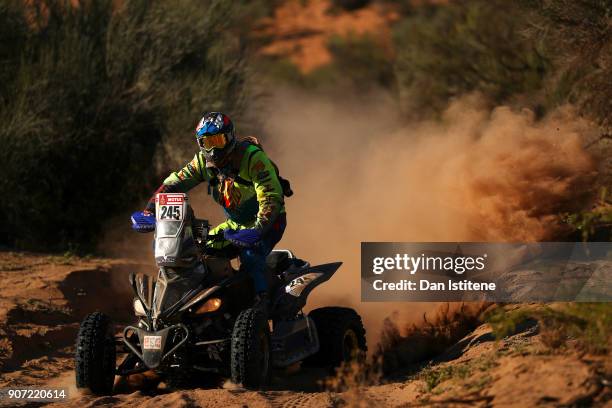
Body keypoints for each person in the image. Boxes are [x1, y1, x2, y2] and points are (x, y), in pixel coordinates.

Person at [132, 112, 288, 314]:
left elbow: (271, 197)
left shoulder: (252, 158)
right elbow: (175, 182)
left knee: (250, 255)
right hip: (234, 225)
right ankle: (214, 301)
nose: (213, 149)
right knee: (196, 251)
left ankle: (262, 305)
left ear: (230, 137)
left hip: (269, 222)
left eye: (218, 140)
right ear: (200, 143)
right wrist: (149, 210)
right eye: (207, 142)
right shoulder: (202, 162)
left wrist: (258, 229)